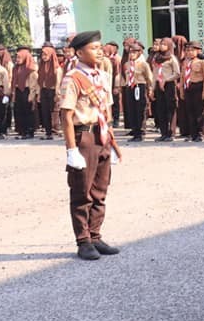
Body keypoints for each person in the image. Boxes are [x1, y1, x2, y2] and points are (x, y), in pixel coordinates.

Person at [61, 30, 122, 261]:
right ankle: (83, 241)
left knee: (100, 190)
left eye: (100, 47)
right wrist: (71, 150)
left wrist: (112, 144)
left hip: (101, 136)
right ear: (79, 52)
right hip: (83, 137)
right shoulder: (73, 78)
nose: (99, 51)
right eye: (93, 48)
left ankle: (95, 235)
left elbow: (106, 113)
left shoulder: (103, 76)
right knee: (81, 192)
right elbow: (66, 116)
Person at [180, 41, 204, 142]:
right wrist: (181, 90)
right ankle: (193, 133)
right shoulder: (185, 63)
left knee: (200, 112)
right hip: (188, 88)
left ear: (198, 51)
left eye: (192, 50)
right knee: (190, 112)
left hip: (199, 87)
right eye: (187, 50)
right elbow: (182, 78)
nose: (189, 52)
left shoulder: (203, 62)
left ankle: (201, 133)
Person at [120, 43, 153, 142]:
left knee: (140, 109)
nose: (132, 54)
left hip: (140, 86)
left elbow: (149, 78)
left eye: (134, 52)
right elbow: (125, 77)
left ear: (139, 53)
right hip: (129, 87)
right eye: (130, 52)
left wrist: (150, 89)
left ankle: (141, 131)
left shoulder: (143, 64)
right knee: (131, 109)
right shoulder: (127, 64)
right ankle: (135, 131)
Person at [151, 38, 180, 142]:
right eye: (161, 44)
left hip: (169, 85)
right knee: (161, 109)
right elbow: (154, 74)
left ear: (169, 46)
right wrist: (152, 88)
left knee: (171, 109)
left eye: (164, 44)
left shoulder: (172, 58)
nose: (162, 46)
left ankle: (171, 133)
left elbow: (177, 73)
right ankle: (163, 133)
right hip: (159, 85)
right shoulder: (156, 57)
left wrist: (166, 80)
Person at [12, 47, 38, 140]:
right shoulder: (16, 68)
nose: (17, 60)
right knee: (20, 112)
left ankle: (29, 131)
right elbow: (14, 81)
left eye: (19, 58)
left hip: (27, 91)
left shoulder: (30, 69)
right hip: (19, 91)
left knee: (28, 112)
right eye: (17, 58)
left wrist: (31, 96)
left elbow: (34, 84)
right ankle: (22, 131)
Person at [0, 52, 10, 138]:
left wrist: (6, 94)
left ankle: (2, 131)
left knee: (1, 113)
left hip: (0, 92)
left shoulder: (2, 70)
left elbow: (6, 83)